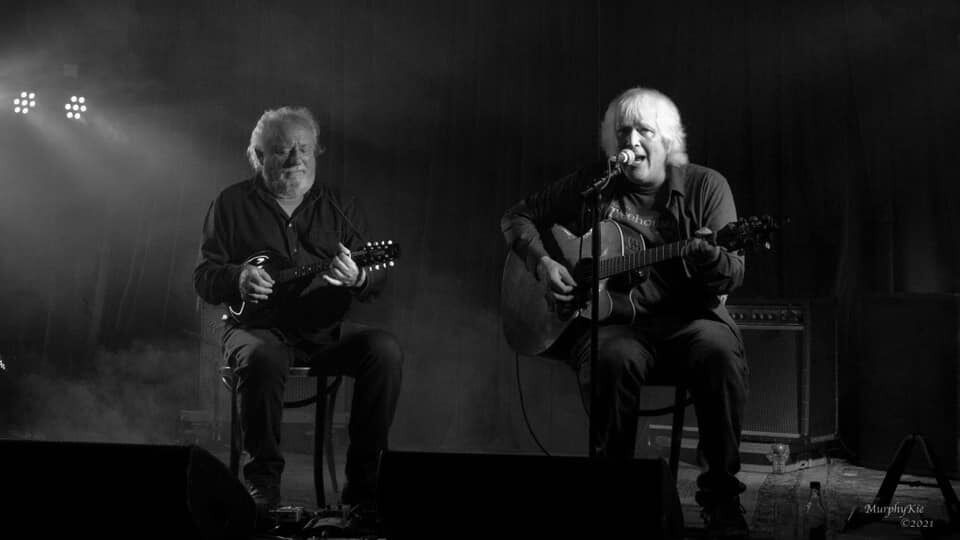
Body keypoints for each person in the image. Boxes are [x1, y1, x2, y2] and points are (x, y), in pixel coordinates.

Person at [501, 87, 749, 539]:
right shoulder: (595, 184)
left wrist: (711, 257)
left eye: (644, 130)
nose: (630, 140)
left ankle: (721, 499)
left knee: (718, 352)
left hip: (689, 322)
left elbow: (732, 272)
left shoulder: (705, 186)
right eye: (622, 132)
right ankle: (612, 494)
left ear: (668, 140)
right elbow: (517, 217)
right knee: (610, 357)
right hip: (617, 325)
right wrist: (545, 264)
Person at [193, 106, 402, 523]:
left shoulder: (340, 206)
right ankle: (263, 485)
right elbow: (204, 276)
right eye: (282, 150)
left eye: (304, 149)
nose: (296, 159)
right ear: (258, 155)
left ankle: (363, 490)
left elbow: (376, 282)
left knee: (384, 350)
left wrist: (358, 275)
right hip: (255, 329)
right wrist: (237, 279)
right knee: (262, 356)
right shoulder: (231, 203)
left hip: (322, 331)